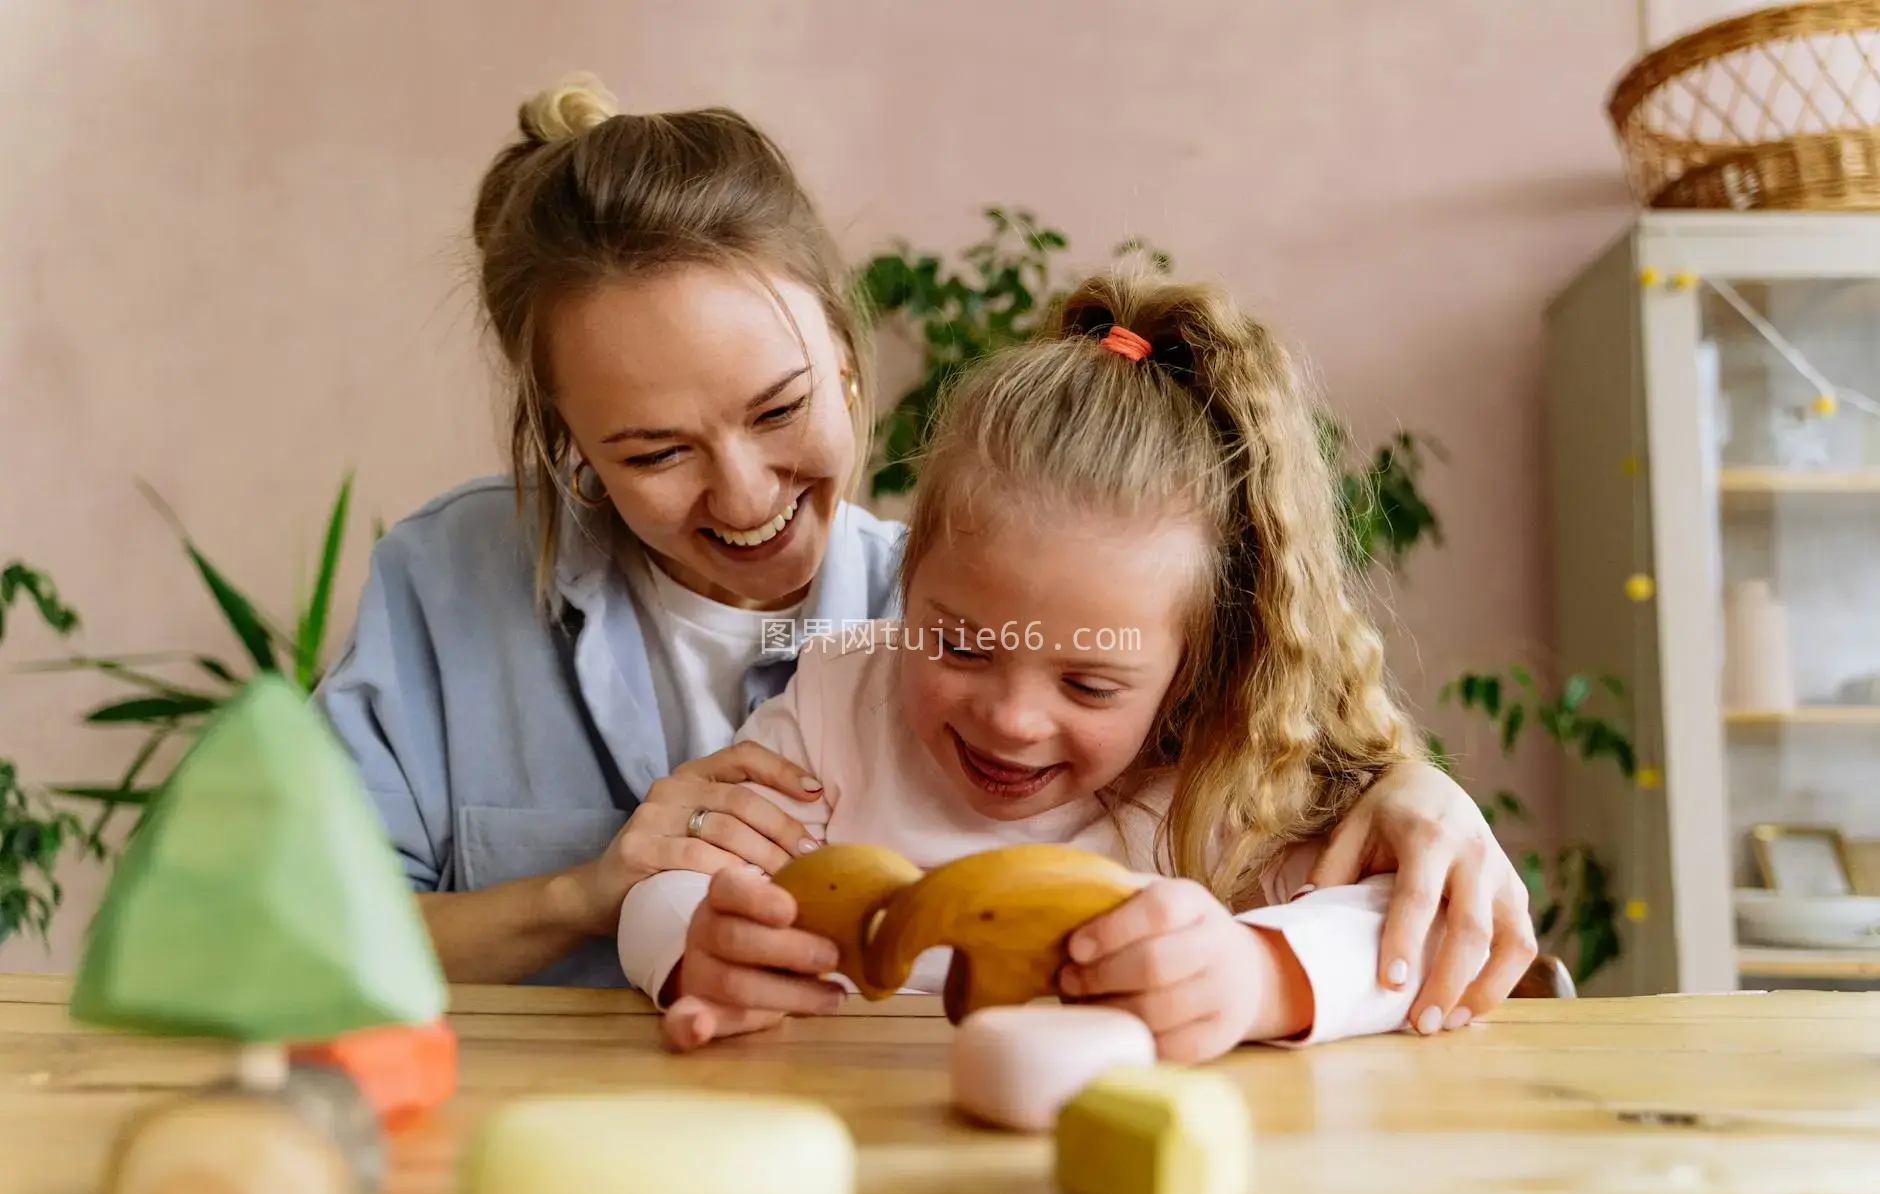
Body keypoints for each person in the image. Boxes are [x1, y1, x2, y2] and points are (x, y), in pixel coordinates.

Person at [312, 74, 1536, 1034]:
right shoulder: (475, 592)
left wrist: (1395, 798)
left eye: (780, 408)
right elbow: (293, 947)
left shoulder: (998, 595)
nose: (744, 495)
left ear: (847, 361)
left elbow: (1383, 910)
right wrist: (615, 900)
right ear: (566, 443)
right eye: (650, 451)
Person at [624, 274, 1497, 1058]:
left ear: (1190, 670)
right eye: (959, 645)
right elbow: (667, 887)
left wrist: (1258, 975)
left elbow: (1415, 927)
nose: (1011, 719)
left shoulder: (1227, 772)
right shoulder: (839, 694)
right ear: (907, 575)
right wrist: (695, 941)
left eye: (1089, 682)